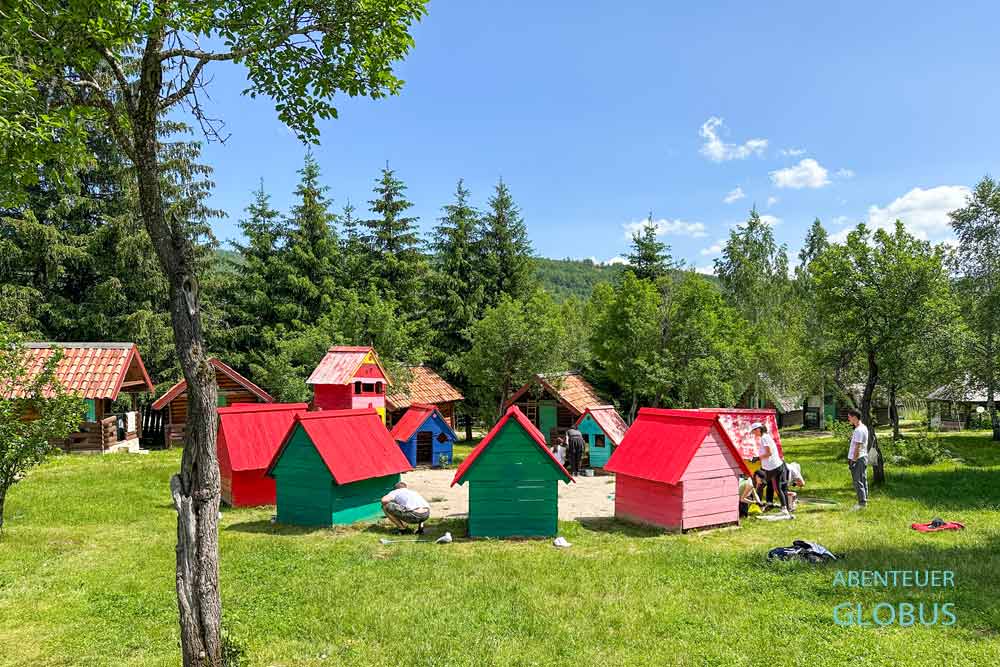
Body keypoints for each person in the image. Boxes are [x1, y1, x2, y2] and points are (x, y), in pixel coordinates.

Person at [751, 421, 791, 517]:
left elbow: (769, 453)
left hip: (772, 467)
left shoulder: (764, 438)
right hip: (776, 466)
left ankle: (760, 506)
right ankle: (784, 509)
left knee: (761, 485)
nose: (753, 433)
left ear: (758, 429)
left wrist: (757, 458)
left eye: (753, 431)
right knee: (777, 488)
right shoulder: (766, 437)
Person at [846, 408, 869, 510]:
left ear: (855, 417)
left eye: (849, 417)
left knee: (858, 481)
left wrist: (853, 461)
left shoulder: (859, 430)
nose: (849, 420)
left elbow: (857, 447)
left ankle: (861, 504)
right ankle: (864, 500)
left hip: (858, 458)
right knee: (863, 479)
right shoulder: (862, 427)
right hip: (862, 457)